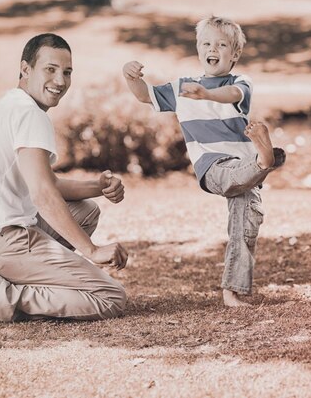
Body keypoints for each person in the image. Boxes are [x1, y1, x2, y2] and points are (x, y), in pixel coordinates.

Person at [0, 33, 128, 323]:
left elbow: (47, 183)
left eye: (67, 72)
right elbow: (43, 194)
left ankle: (12, 278)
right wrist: (91, 250)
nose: (60, 81)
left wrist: (98, 188)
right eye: (50, 70)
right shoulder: (30, 114)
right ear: (25, 69)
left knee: (86, 212)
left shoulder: (11, 105)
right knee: (110, 297)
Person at [122, 16, 285, 307]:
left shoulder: (240, 82)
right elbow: (145, 96)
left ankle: (232, 292)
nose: (214, 48)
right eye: (207, 43)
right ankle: (267, 160)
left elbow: (233, 95)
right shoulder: (182, 87)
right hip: (213, 167)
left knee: (246, 226)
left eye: (222, 45)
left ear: (234, 54)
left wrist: (207, 94)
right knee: (238, 175)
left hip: (243, 168)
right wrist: (131, 77)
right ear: (198, 48)